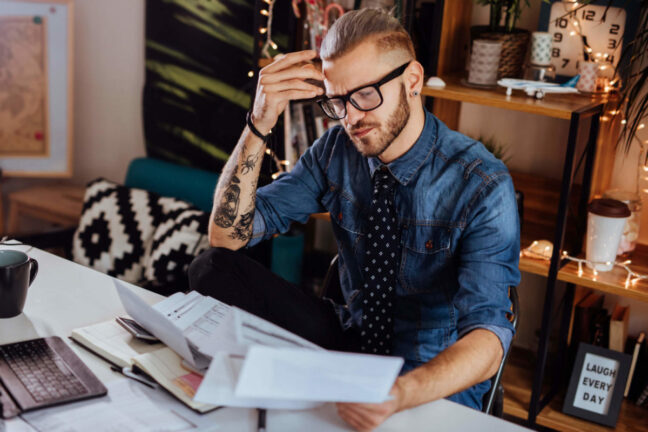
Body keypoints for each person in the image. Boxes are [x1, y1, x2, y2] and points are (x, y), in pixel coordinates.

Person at [189, 8, 520, 431]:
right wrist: (261, 120)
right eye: (337, 101)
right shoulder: (335, 151)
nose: (351, 117)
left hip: (427, 369)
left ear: (413, 80)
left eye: (364, 95)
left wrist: (399, 392)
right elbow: (227, 237)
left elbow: (490, 340)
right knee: (211, 268)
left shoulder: (481, 182)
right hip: (351, 340)